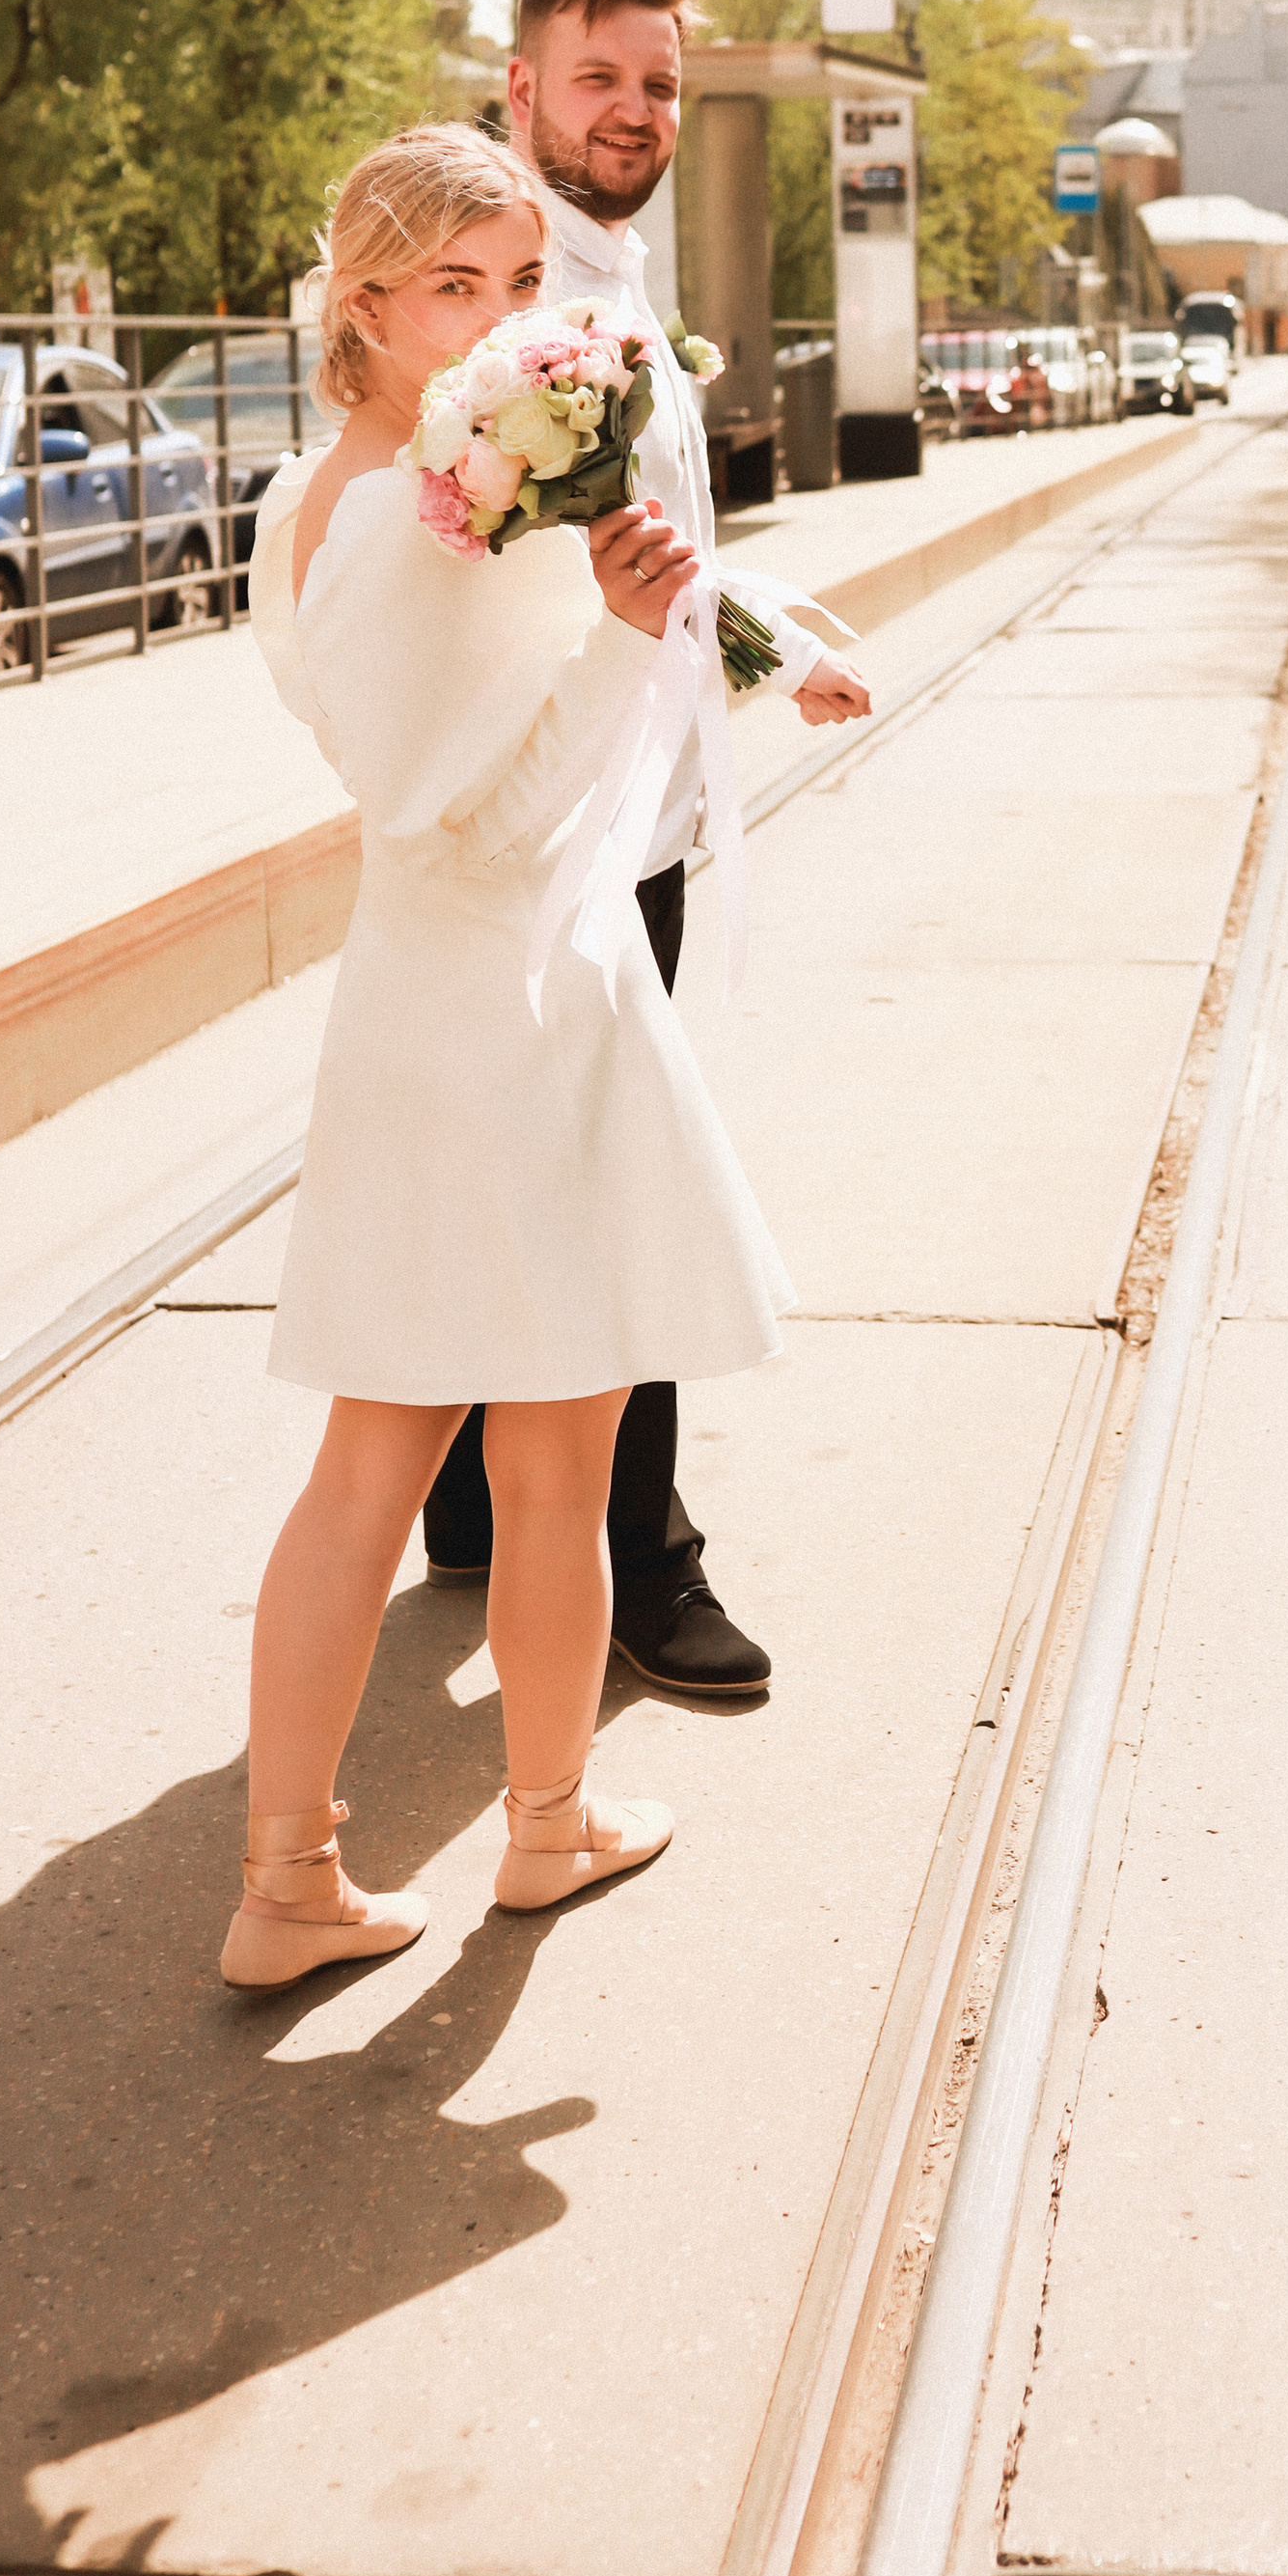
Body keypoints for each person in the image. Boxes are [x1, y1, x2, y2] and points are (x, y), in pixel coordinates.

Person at [222, 122, 831, 1989]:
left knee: (423, 1467)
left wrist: (765, 646)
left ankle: (354, 1864)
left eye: (517, 284)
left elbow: (593, 617)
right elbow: (445, 801)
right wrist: (629, 642)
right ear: (370, 303)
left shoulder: (382, 486)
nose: (498, 319)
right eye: (453, 288)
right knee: (484, 1473)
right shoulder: (410, 517)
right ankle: (440, 1850)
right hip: (506, 1006)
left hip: (436, 1011)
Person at [417, 0, 868, 1695]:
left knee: (552, 1162)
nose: (638, 111)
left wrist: (777, 650)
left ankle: (471, 1494)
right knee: (633, 1189)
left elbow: (653, 559)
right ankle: (645, 1559)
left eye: (661, 84)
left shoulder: (609, 275)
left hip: (644, 802)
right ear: (522, 90)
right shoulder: (502, 297)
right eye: (601, 78)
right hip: (566, 817)